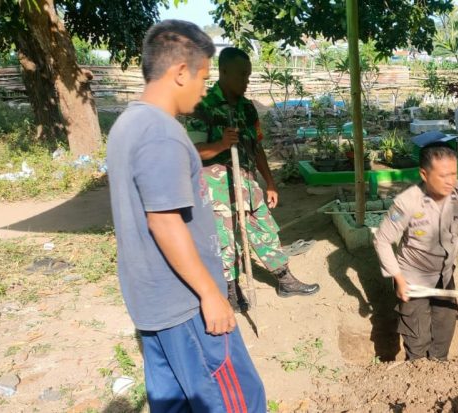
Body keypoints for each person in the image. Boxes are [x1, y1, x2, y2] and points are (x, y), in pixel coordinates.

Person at [106, 21, 265, 412]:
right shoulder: (161, 133)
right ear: (180, 72)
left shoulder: (127, 124)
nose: (204, 88)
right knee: (237, 400)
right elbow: (164, 221)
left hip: (152, 303)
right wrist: (211, 294)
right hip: (186, 304)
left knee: (175, 402)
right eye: (203, 77)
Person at [188, 47, 319, 307]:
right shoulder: (202, 106)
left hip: (246, 181)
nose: (246, 81)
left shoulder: (247, 108)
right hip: (216, 187)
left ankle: (285, 279)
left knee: (264, 228)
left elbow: (256, 146)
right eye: (241, 75)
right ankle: (231, 290)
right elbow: (191, 151)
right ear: (223, 71)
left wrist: (269, 182)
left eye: (248, 75)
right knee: (224, 238)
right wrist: (221, 145)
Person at [373, 140, 458, 361]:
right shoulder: (407, 202)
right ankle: (417, 374)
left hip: (444, 275)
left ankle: (439, 372)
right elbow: (381, 240)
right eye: (442, 176)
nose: (450, 181)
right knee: (416, 336)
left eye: (453, 174)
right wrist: (398, 279)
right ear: (424, 175)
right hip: (413, 278)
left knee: (445, 327)